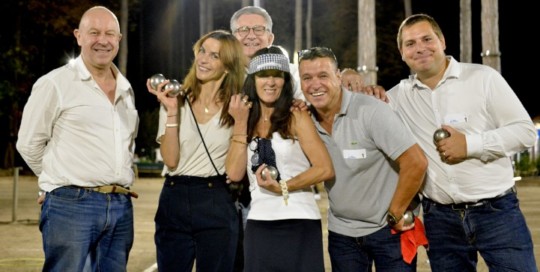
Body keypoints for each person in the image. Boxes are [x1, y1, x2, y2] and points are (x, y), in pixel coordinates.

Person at [386, 13, 538, 271]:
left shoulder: (482, 78)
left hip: (497, 212)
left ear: (442, 41)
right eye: (410, 43)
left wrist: (471, 144)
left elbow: (524, 131)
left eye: (427, 39)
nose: (420, 48)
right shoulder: (397, 98)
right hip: (440, 219)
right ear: (402, 52)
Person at [16, 6, 138, 271]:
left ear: (118, 39)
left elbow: (126, 146)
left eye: (109, 33)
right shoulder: (56, 83)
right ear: (78, 36)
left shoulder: (126, 89)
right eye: (94, 32)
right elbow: (28, 143)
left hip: (120, 206)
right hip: (71, 207)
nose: (102, 40)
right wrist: (55, 182)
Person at [297, 46, 428, 271]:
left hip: (388, 231)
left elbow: (416, 161)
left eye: (323, 75)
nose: (314, 84)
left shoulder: (371, 110)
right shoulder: (306, 120)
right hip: (342, 235)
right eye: (306, 78)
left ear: (338, 77)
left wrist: (395, 212)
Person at [146, 29, 249, 272]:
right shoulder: (175, 98)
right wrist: (171, 111)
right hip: (174, 197)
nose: (204, 59)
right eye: (202, 51)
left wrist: (241, 122)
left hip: (216, 199)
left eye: (215, 55)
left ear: (227, 66)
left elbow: (234, 173)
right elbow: (170, 160)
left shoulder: (236, 107)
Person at [226, 45, 334, 272]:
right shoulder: (245, 119)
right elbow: (234, 174)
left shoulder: (296, 115)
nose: (271, 82)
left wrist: (283, 186)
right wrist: (239, 123)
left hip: (299, 219)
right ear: (253, 80)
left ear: (286, 80)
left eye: (277, 75)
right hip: (259, 222)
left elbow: (324, 168)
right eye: (264, 75)